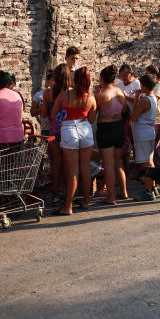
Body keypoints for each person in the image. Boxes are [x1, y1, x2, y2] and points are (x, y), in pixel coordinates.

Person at [52, 67, 97, 215]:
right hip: (85, 129)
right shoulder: (90, 98)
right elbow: (91, 119)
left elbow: (53, 115)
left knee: (72, 171)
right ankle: (85, 201)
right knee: (85, 168)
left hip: (69, 129)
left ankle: (68, 206)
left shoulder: (64, 95)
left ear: (74, 79)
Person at [95, 66, 130, 204]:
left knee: (108, 164)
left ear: (102, 79)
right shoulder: (120, 91)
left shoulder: (100, 95)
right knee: (118, 162)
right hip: (119, 126)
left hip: (106, 127)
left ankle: (111, 197)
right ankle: (124, 192)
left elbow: (93, 113)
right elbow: (123, 109)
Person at [39, 63, 71, 207]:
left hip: (53, 130)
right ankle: (67, 191)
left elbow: (44, 114)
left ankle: (56, 193)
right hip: (68, 127)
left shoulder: (48, 93)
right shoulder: (71, 92)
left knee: (55, 163)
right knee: (68, 163)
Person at [131, 74, 160, 202]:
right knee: (149, 161)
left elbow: (134, 116)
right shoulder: (153, 98)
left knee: (145, 163)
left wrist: (136, 98)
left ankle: (148, 190)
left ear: (144, 86)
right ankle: (152, 186)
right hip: (148, 132)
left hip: (142, 133)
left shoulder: (144, 100)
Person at [30, 69, 54, 138]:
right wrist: (44, 107)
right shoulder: (39, 94)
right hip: (46, 130)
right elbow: (32, 112)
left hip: (59, 128)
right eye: (53, 79)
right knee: (47, 148)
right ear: (47, 81)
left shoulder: (62, 93)